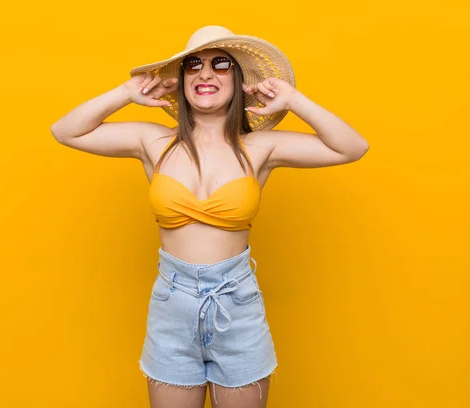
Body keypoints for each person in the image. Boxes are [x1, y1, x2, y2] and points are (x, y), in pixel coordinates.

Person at [50, 25, 368, 408]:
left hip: (237, 302)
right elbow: (65, 131)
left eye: (220, 65)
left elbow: (352, 147)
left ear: (237, 80)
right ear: (182, 82)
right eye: (193, 66)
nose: (204, 74)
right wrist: (126, 93)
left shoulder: (260, 148)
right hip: (172, 302)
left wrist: (293, 100)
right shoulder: (153, 141)